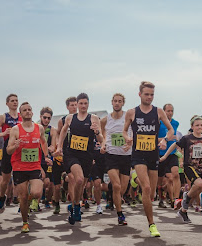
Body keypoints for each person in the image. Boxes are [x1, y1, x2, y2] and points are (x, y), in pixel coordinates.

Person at [123, 81, 174, 237]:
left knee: (151, 193)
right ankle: (152, 224)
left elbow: (171, 129)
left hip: (153, 154)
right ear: (140, 94)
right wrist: (128, 139)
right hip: (138, 155)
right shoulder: (132, 112)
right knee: (146, 188)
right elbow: (124, 131)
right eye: (146, 94)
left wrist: (165, 139)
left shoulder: (159, 111)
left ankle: (135, 180)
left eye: (152, 94)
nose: (149, 97)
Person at [55, 93, 104, 224]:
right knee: (79, 179)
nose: (83, 106)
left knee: (81, 185)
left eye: (85, 103)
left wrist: (97, 132)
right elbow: (63, 131)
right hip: (72, 154)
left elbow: (101, 139)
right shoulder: (71, 118)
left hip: (87, 156)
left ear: (88, 104)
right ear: (77, 105)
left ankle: (75, 204)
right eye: (80, 103)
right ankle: (76, 206)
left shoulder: (94, 118)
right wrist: (59, 146)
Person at [162, 116, 202, 223]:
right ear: (192, 126)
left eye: (201, 125)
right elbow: (175, 145)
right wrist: (165, 156)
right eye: (197, 125)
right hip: (189, 166)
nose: (199, 127)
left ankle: (183, 210)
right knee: (200, 184)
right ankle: (186, 198)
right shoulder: (187, 138)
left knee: (201, 186)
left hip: (201, 166)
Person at [7, 102, 48, 233]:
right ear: (21, 113)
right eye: (24, 110)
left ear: (32, 112)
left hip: (35, 166)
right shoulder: (15, 130)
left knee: (36, 192)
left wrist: (46, 156)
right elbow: (8, 150)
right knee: (23, 197)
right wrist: (15, 146)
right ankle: (25, 222)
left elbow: (43, 142)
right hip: (19, 167)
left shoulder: (39, 128)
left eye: (29, 109)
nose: (28, 112)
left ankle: (33, 199)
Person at [100, 93, 132, 225]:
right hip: (111, 155)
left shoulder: (128, 117)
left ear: (123, 103)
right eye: (115, 101)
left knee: (122, 189)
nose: (117, 103)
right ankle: (120, 214)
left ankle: (115, 199)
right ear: (112, 103)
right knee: (117, 186)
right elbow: (103, 134)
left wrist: (130, 141)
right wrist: (103, 144)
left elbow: (134, 132)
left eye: (120, 101)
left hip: (126, 155)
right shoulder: (105, 120)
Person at [0, 94, 22, 211]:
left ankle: (21, 202)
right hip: (7, 148)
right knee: (5, 179)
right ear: (7, 103)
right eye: (12, 101)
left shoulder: (22, 117)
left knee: (20, 178)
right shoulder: (3, 117)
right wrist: (3, 134)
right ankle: (2, 197)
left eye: (16, 100)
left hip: (20, 149)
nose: (15, 102)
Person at [158, 103, 180, 208]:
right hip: (161, 154)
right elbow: (153, 138)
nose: (170, 113)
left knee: (174, 175)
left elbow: (175, 137)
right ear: (164, 112)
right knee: (161, 179)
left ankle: (174, 200)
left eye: (172, 111)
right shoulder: (159, 123)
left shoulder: (175, 123)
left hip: (172, 153)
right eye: (168, 111)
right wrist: (164, 139)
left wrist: (175, 139)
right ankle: (161, 196)